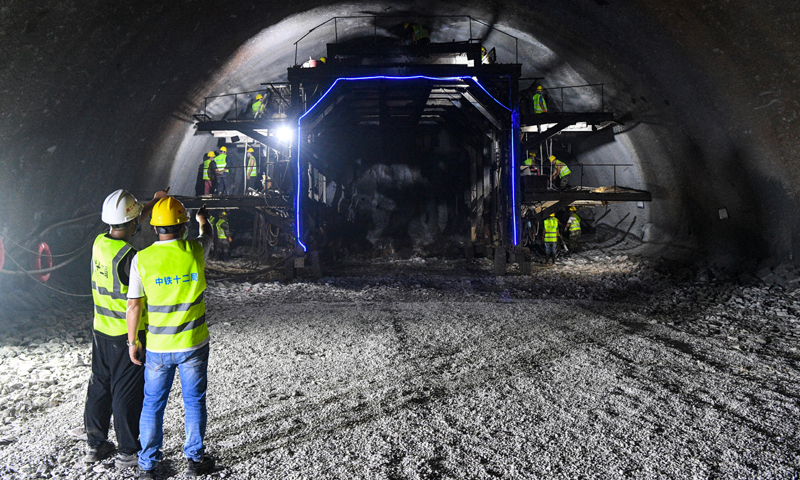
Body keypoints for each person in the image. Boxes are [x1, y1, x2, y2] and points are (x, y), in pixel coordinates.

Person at [125, 196, 214, 479]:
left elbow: (134, 305)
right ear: (183, 226)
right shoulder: (195, 251)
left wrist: (132, 342)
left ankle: (148, 465)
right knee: (194, 401)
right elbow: (207, 237)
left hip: (158, 347)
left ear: (154, 229)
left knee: (152, 404)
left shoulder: (142, 259)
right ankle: (195, 460)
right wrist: (204, 221)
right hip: (193, 344)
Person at [84, 188, 167, 469]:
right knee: (126, 393)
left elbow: (126, 221)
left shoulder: (98, 243)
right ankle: (129, 452)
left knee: (100, 386)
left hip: (100, 329)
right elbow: (135, 304)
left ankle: (96, 444)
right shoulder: (131, 258)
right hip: (126, 335)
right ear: (133, 222)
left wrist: (153, 202)